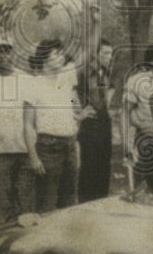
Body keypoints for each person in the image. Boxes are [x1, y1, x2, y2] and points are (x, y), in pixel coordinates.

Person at [24, 40, 85, 212]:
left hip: (70, 145)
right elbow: (28, 124)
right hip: (47, 148)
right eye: (56, 54)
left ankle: (67, 239)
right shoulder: (34, 84)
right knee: (47, 205)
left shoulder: (66, 77)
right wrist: (33, 157)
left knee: (70, 203)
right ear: (44, 58)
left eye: (61, 54)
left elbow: (87, 51)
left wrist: (94, 24)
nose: (61, 58)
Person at [0, 43, 36, 222]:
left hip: (24, 151)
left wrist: (33, 152)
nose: (3, 56)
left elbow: (33, 117)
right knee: (4, 204)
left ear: (13, 54)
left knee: (26, 203)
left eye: (7, 51)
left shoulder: (26, 79)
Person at [77, 38, 114, 202]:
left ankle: (102, 201)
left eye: (111, 54)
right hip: (89, 124)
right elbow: (70, 95)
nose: (109, 57)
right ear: (96, 54)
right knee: (89, 166)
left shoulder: (107, 73)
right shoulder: (83, 73)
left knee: (104, 164)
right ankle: (87, 204)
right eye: (106, 53)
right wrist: (79, 110)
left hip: (105, 123)